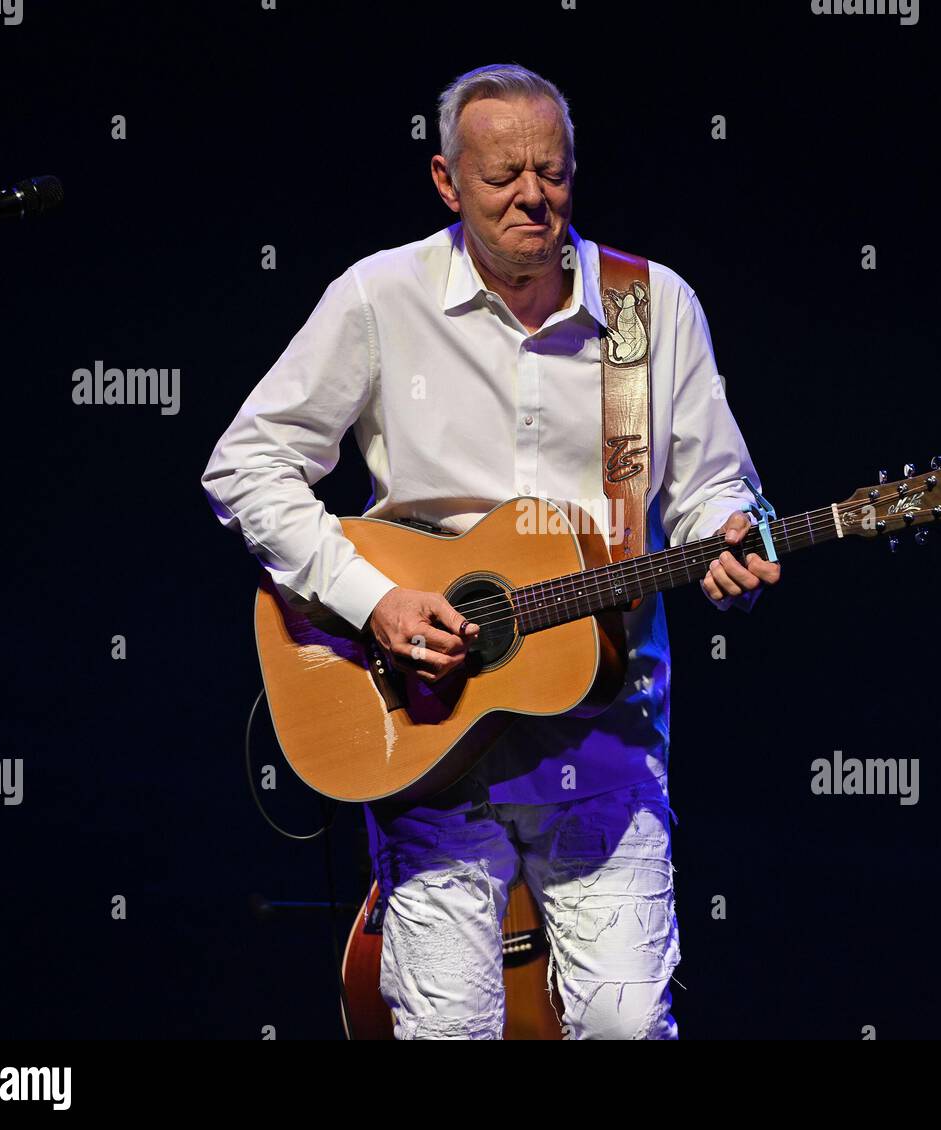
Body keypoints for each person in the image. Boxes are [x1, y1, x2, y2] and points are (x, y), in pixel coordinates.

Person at [202, 62, 780, 1039]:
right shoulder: (382, 297)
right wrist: (370, 596)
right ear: (445, 180)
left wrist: (730, 541)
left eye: (550, 171)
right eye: (503, 173)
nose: (531, 195)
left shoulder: (647, 310)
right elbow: (245, 464)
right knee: (446, 1027)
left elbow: (718, 491)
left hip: (603, 727)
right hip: (427, 722)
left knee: (627, 1023)